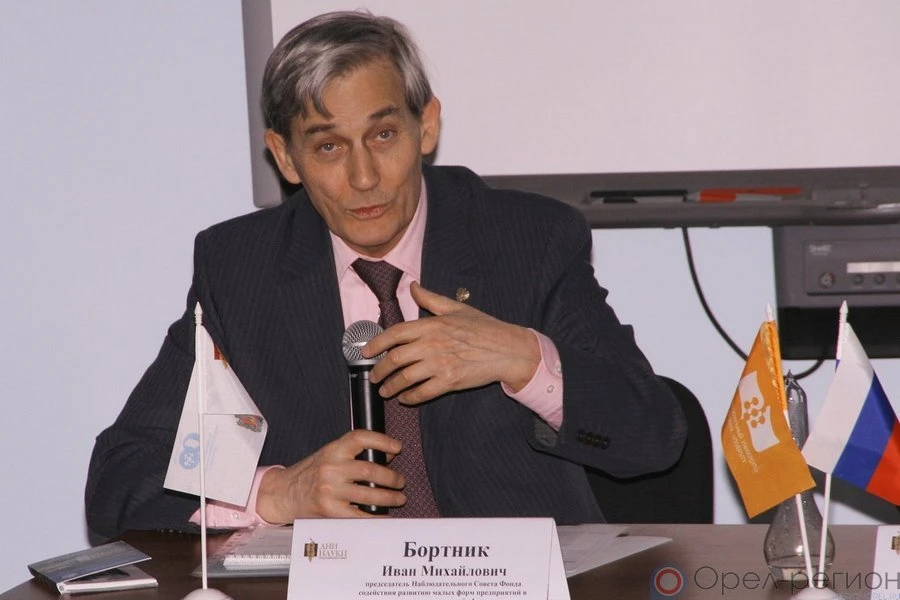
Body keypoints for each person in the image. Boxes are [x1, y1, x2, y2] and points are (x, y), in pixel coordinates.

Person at [85, 10, 687, 539]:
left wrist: (523, 358)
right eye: (328, 147)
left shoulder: (527, 241)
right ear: (286, 156)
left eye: (383, 134)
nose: (365, 177)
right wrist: (277, 492)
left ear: (427, 126)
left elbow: (655, 437)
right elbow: (122, 477)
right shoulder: (242, 269)